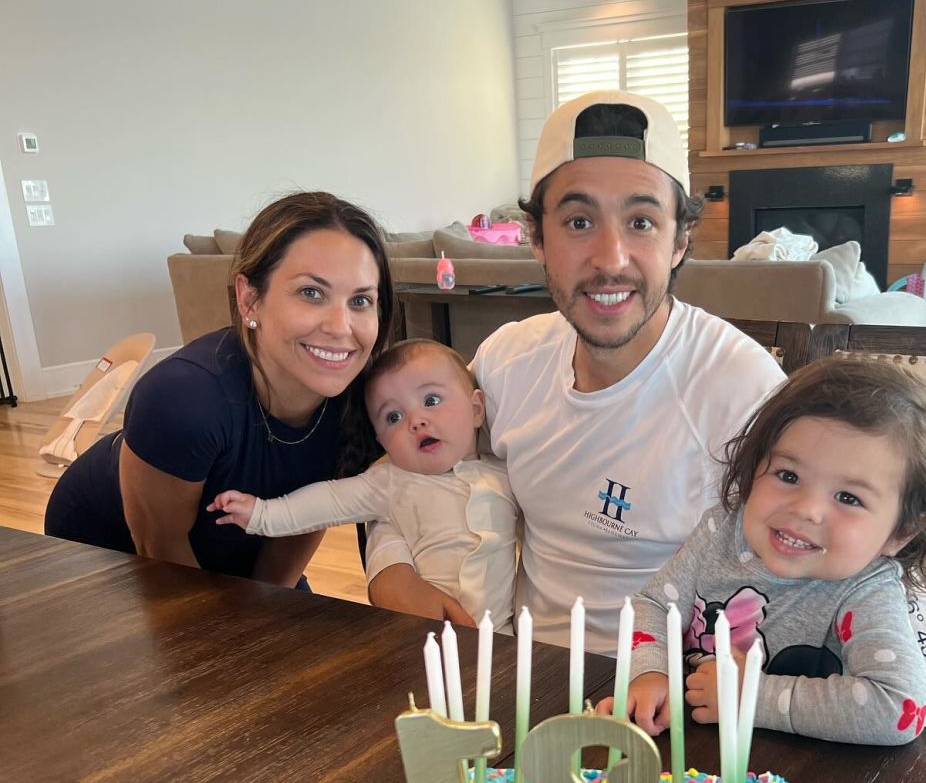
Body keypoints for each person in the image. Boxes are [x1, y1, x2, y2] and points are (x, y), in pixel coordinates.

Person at [365, 90, 786, 652]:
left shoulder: (742, 388)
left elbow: (804, 565)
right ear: (536, 237)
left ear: (680, 240)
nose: (610, 258)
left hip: (675, 697)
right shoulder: (506, 361)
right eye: (579, 221)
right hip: (516, 672)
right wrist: (388, 568)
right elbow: (409, 464)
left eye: (641, 221)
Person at [44, 191, 396, 587]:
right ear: (249, 299)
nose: (340, 326)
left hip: (236, 548)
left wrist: (266, 611)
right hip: (106, 550)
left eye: (361, 300)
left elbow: (310, 515)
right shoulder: (185, 398)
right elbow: (161, 546)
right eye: (311, 293)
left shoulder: (367, 402)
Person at [611, 356, 926, 745]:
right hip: (698, 759)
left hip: (812, 782)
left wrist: (753, 698)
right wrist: (649, 673)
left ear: (901, 532)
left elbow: (897, 709)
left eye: (849, 497)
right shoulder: (722, 530)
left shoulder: (867, 591)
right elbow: (655, 605)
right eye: (788, 475)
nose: (805, 509)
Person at [207, 339, 516, 628]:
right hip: (423, 635)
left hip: (503, 634)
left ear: (476, 409)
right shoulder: (389, 483)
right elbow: (328, 501)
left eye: (431, 400)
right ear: (382, 441)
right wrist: (261, 513)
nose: (416, 420)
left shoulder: (506, 474)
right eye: (393, 417)